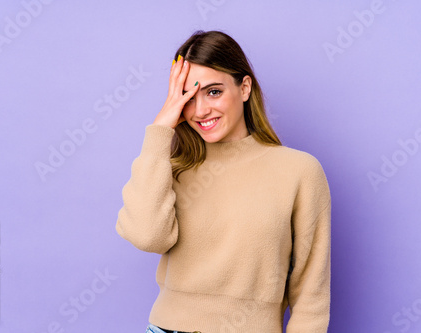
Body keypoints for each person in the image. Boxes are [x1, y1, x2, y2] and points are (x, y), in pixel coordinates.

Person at [115, 30, 331, 333]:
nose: (200, 110)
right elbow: (148, 237)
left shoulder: (299, 171)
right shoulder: (170, 169)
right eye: (188, 97)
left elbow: (311, 295)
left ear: (244, 88)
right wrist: (160, 129)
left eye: (213, 92)